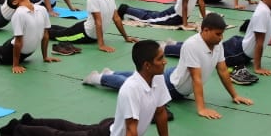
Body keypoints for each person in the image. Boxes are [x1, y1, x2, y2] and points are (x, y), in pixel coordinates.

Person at [1, 40, 191, 136]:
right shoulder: (131, 88)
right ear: (147, 65)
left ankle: (30, 120)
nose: (165, 62)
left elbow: (160, 113)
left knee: (71, 127)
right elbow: (132, 129)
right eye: (160, 59)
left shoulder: (156, 78)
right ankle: (17, 128)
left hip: (111, 127)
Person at [84, 13, 254, 119]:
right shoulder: (192, 45)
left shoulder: (218, 44)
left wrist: (235, 95)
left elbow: (223, 70)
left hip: (175, 77)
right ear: (206, 30)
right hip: (172, 87)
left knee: (138, 77)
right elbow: (196, 78)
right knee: (135, 85)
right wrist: (201, 108)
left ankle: (111, 72)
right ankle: (98, 78)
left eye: (222, 34)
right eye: (218, 34)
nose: (221, 37)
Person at [50, 0, 136, 53]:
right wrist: (101, 45)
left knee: (63, 30)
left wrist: (126, 38)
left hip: (88, 28)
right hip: (84, 34)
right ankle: (42, 29)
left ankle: (46, 26)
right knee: (58, 35)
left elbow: (116, 18)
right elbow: (98, 22)